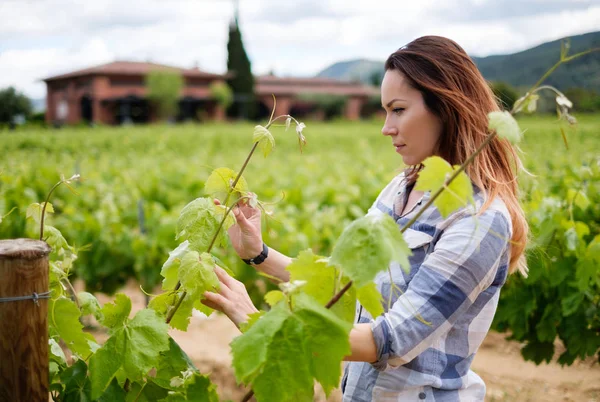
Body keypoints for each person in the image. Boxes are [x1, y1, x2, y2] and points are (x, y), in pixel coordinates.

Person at [201, 35, 529, 401]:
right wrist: (259, 254)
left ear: (444, 107)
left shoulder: (480, 221)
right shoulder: (401, 189)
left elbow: (390, 339)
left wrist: (260, 326)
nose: (386, 127)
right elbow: (350, 283)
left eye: (399, 110)